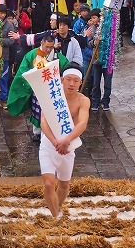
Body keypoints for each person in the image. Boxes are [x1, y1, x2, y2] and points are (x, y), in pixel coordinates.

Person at [40, 62, 90, 218]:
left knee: (64, 184)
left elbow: (82, 123)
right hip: (50, 144)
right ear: (62, 79)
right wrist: (55, 141)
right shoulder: (51, 96)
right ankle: (56, 217)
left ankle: (58, 207)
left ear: (80, 83)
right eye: (68, 79)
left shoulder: (83, 101)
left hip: (69, 145)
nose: (71, 84)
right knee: (49, 182)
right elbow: (44, 121)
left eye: (75, 81)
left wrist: (67, 140)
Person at [7, 35, 69, 142]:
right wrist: (29, 84)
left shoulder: (58, 57)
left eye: (51, 47)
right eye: (47, 47)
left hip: (51, 90)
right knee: (37, 111)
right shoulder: (32, 55)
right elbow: (23, 72)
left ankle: (50, 132)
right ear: (41, 43)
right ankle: (37, 132)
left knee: (51, 112)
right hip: (37, 89)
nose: (49, 50)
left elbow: (67, 67)